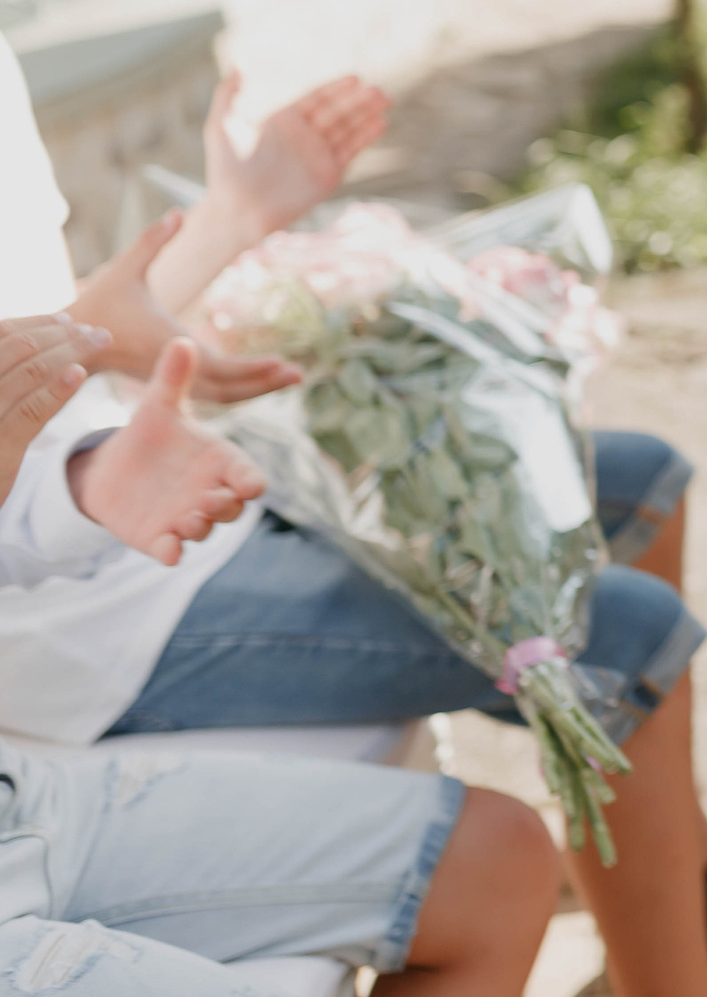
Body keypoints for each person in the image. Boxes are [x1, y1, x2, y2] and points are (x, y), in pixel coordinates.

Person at [0, 48, 707, 997]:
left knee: (637, 486)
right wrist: (87, 478)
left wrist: (232, 224)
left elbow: (44, 336)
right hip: (93, 621)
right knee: (628, 638)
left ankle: (686, 872)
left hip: (130, 496)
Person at [0, 308, 558, 993]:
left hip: (21, 800)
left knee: (494, 861)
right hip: (103, 649)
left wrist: (74, 486)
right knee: (619, 629)